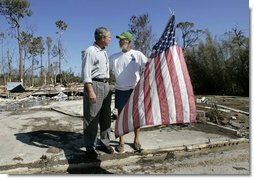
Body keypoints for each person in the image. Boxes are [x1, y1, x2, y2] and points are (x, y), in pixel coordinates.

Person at [109, 31, 148, 153]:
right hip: (120, 90)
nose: (121, 41)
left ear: (129, 42)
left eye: (123, 39)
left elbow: (148, 67)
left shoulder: (137, 55)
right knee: (121, 116)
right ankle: (121, 141)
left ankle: (137, 140)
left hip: (134, 89)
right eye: (120, 39)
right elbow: (104, 70)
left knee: (136, 116)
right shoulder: (114, 57)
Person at [81, 27, 114, 156]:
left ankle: (105, 143)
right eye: (109, 37)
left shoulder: (104, 52)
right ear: (102, 38)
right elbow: (86, 73)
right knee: (92, 117)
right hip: (94, 85)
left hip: (106, 85)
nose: (110, 39)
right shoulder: (90, 51)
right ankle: (90, 147)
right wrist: (90, 91)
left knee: (106, 117)